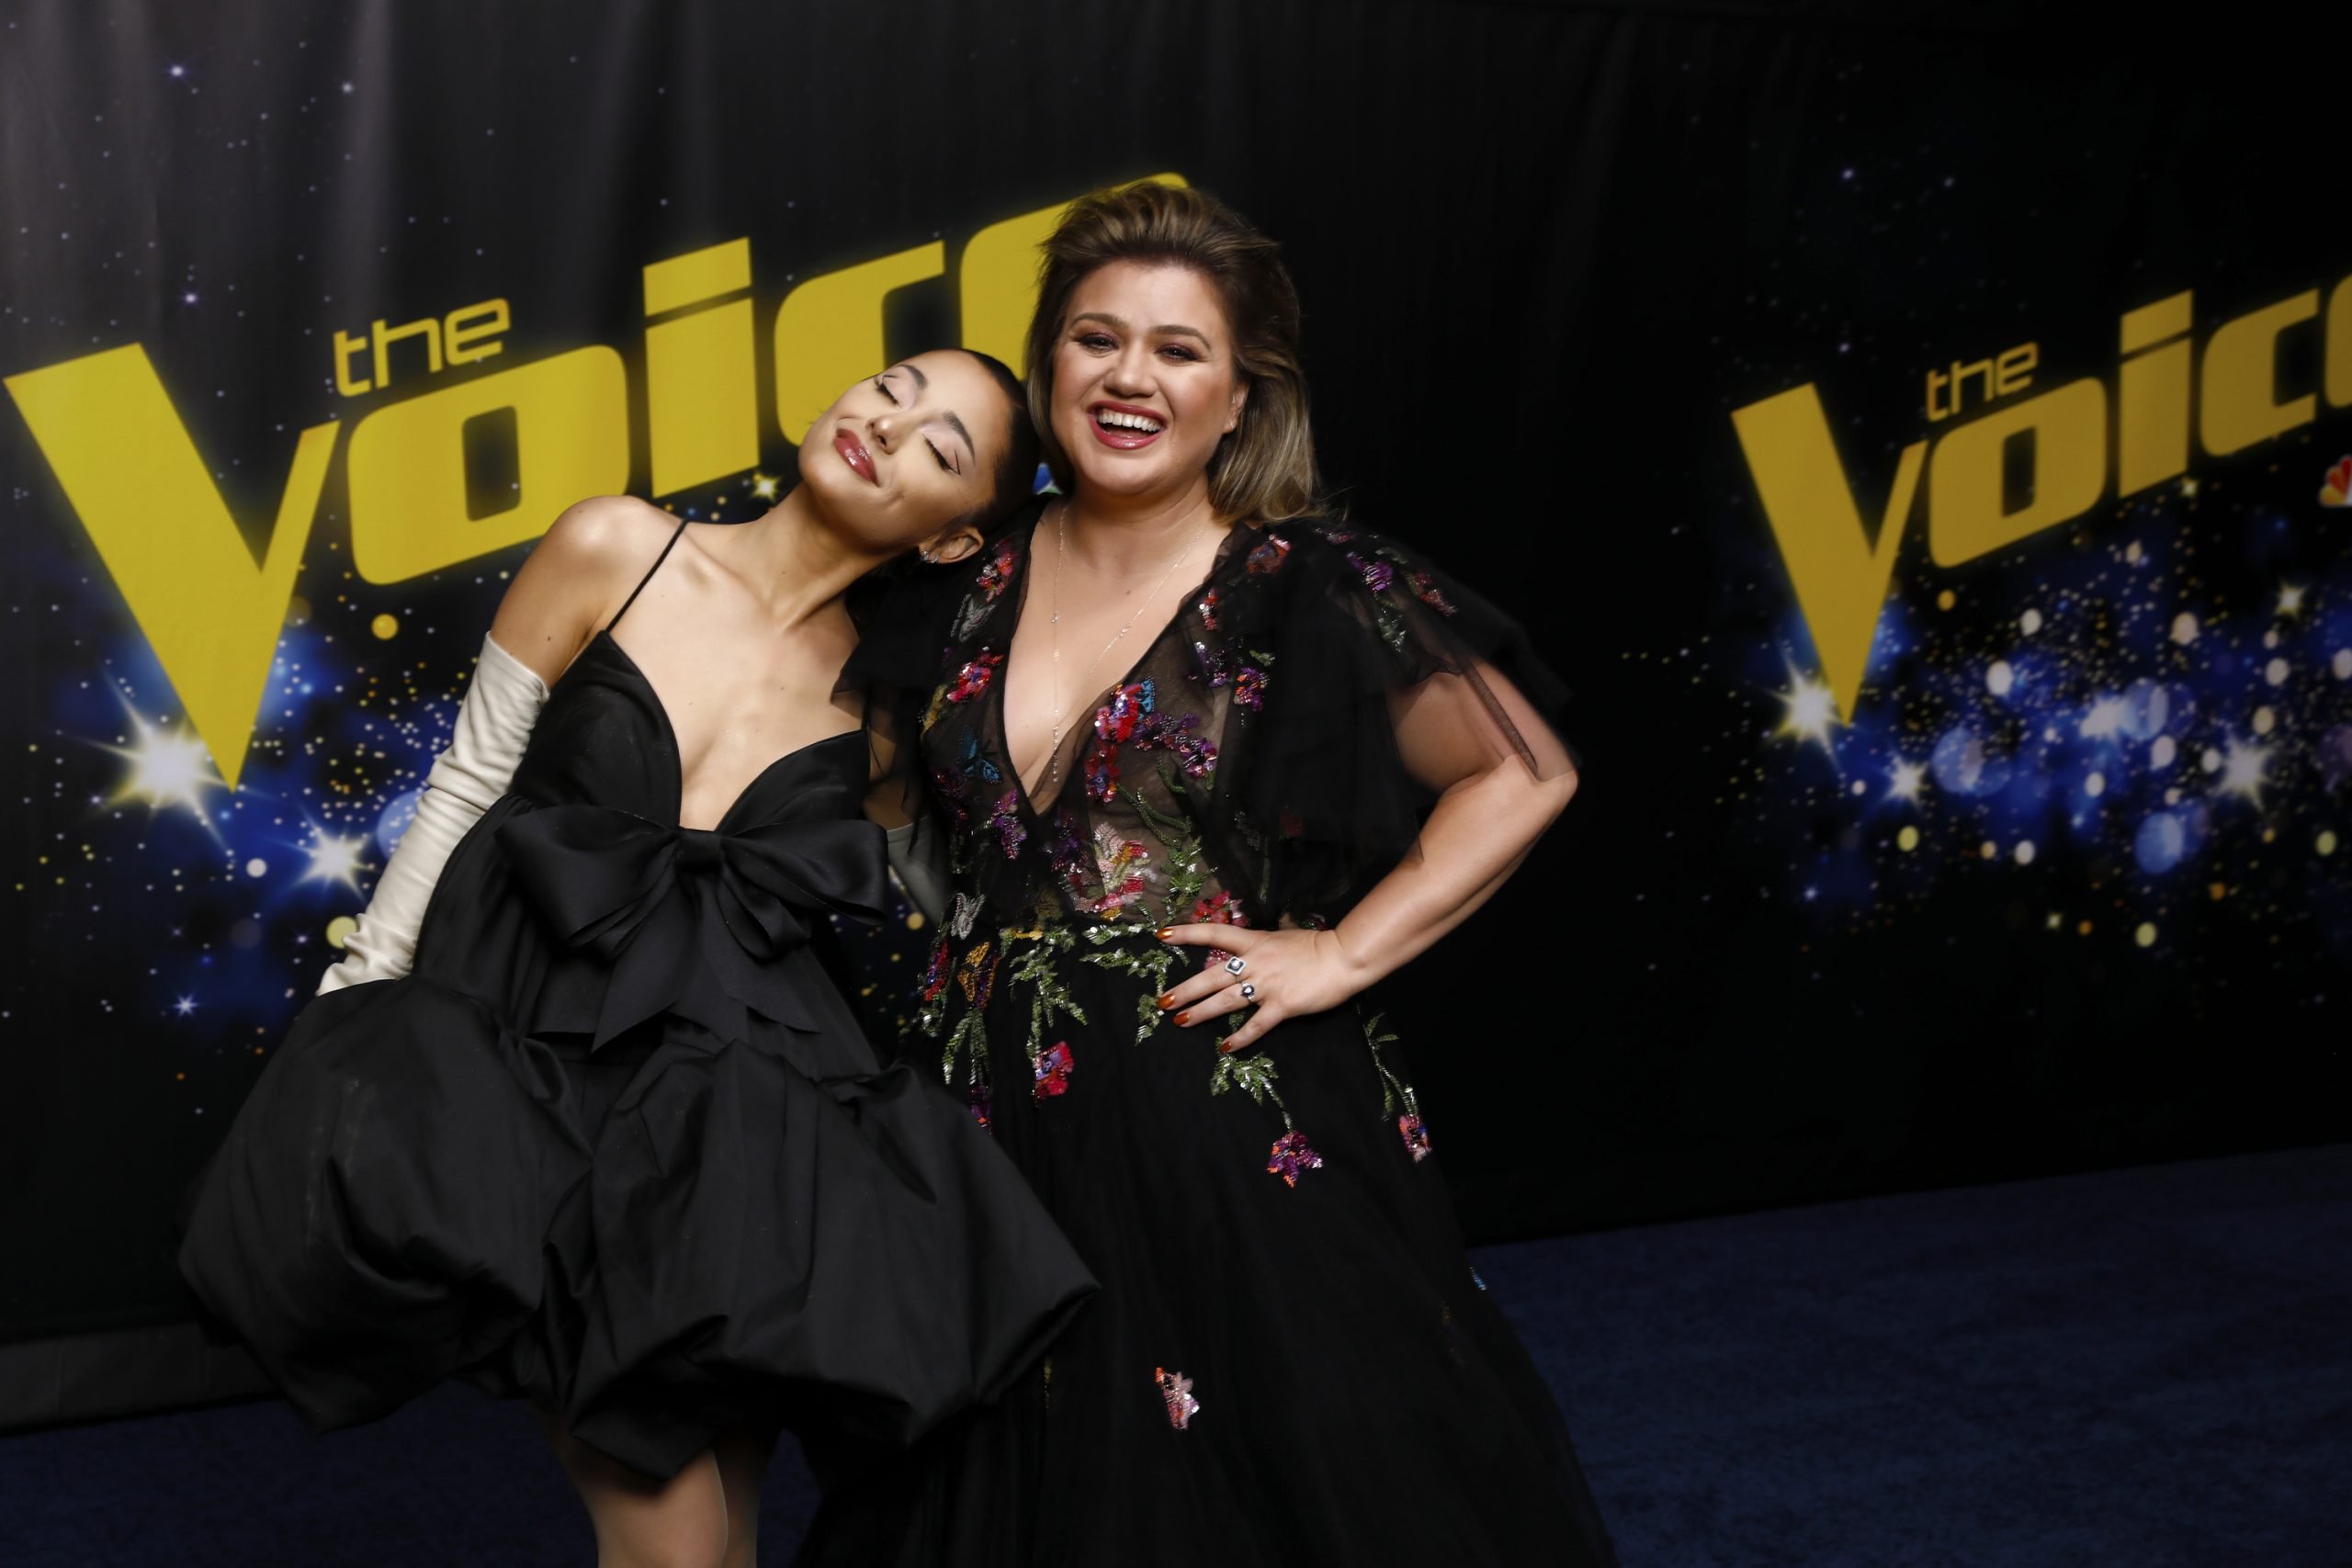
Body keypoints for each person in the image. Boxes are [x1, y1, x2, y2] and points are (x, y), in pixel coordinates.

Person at [804, 184, 1617, 1565]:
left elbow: (1523, 773)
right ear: (1051, 364)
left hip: (1223, 1130)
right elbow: (880, 826)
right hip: (980, 1133)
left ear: (1239, 397)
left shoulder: (1307, 583)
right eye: (1096, 338)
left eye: (1178, 351)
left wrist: (1342, 953)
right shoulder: (956, 581)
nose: (1129, 377)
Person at [177, 348, 1094, 1568]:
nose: (888, 422)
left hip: (722, 1110)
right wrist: (360, 1000)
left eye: (939, 444)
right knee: (675, 1536)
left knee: (725, 1533)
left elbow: (953, 892)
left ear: (952, 539)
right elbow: (467, 781)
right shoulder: (616, 546)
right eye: (894, 386)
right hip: (531, 1061)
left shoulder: (889, 716)